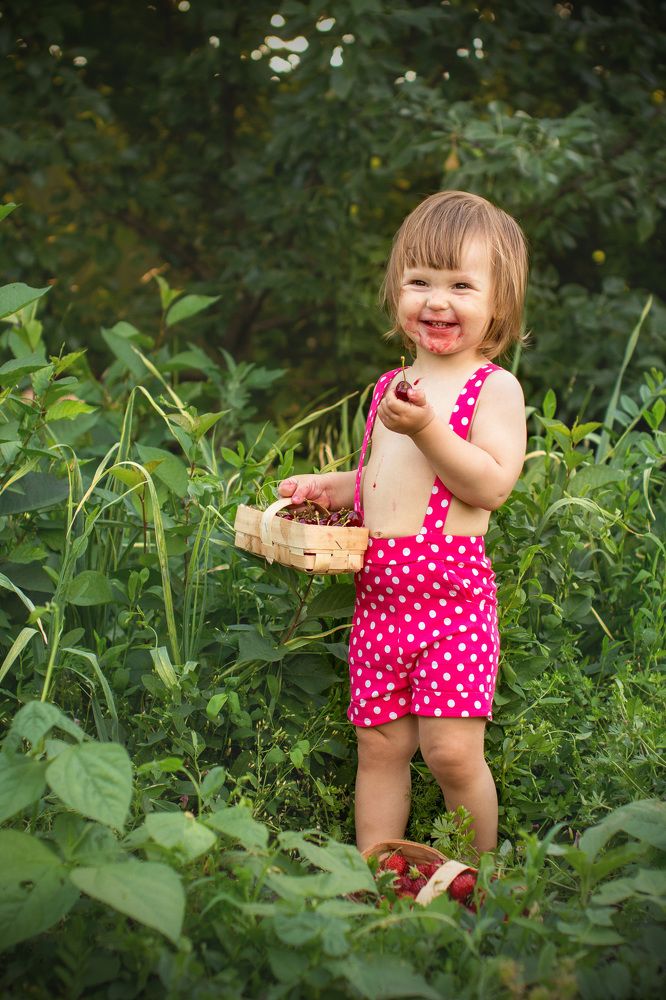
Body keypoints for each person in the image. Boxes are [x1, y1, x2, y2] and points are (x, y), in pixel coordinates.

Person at [278, 190, 529, 856]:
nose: (436, 301)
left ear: (497, 303)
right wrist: (332, 488)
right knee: (380, 745)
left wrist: (427, 429)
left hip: (451, 600)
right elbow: (387, 486)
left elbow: (490, 484)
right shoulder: (391, 387)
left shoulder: (491, 387)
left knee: (450, 751)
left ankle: (475, 879)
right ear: (396, 291)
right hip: (382, 597)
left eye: (460, 286)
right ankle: (376, 875)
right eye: (419, 281)